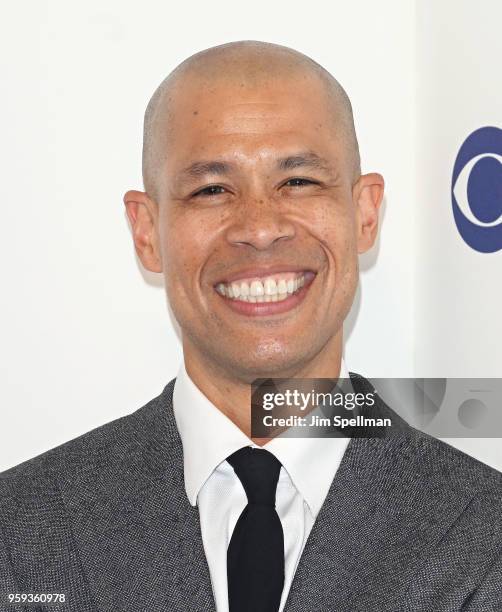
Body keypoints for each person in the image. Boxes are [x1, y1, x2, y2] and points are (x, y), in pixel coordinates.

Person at [1, 40, 501, 612]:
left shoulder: (487, 537)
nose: (260, 229)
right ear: (147, 231)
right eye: (212, 190)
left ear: (364, 214)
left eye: (299, 182)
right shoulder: (18, 534)